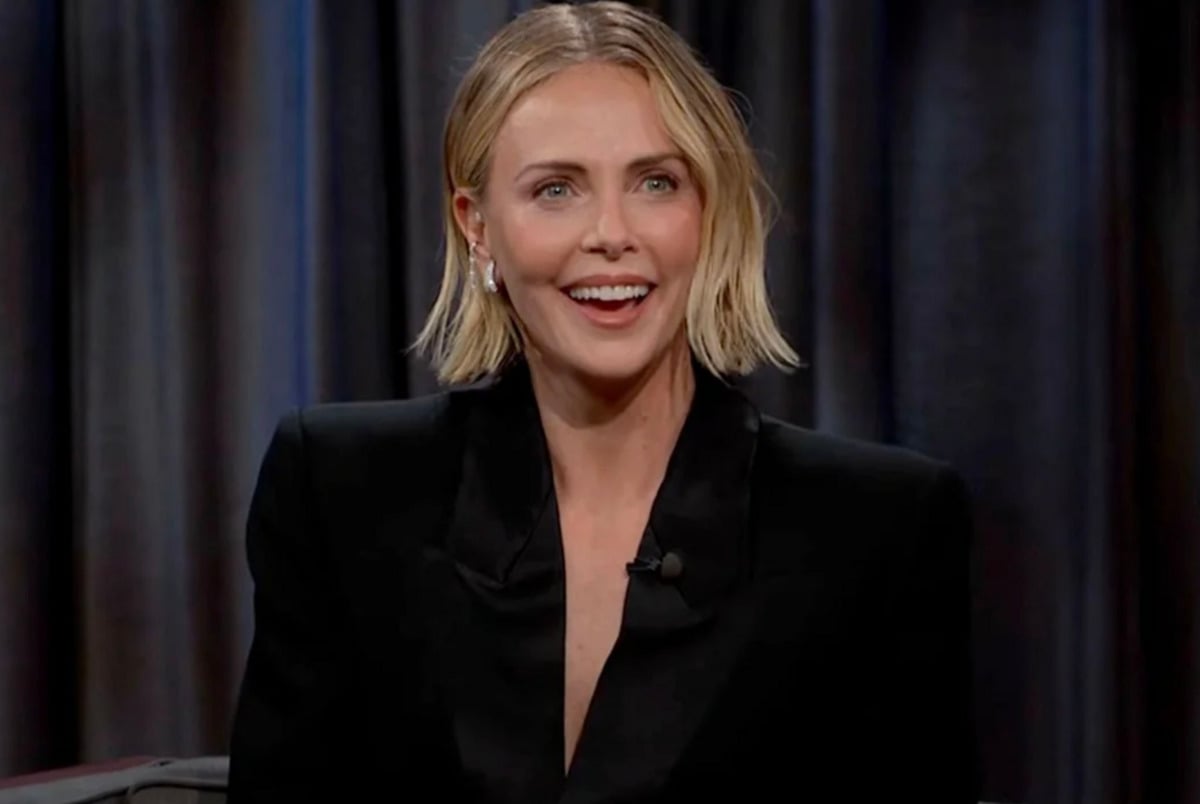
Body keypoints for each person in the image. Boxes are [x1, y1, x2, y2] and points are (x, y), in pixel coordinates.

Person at [227, 2, 979, 801]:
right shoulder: (340, 492)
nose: (611, 233)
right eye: (556, 189)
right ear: (477, 226)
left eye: (656, 182)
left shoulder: (879, 527)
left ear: (706, 212)